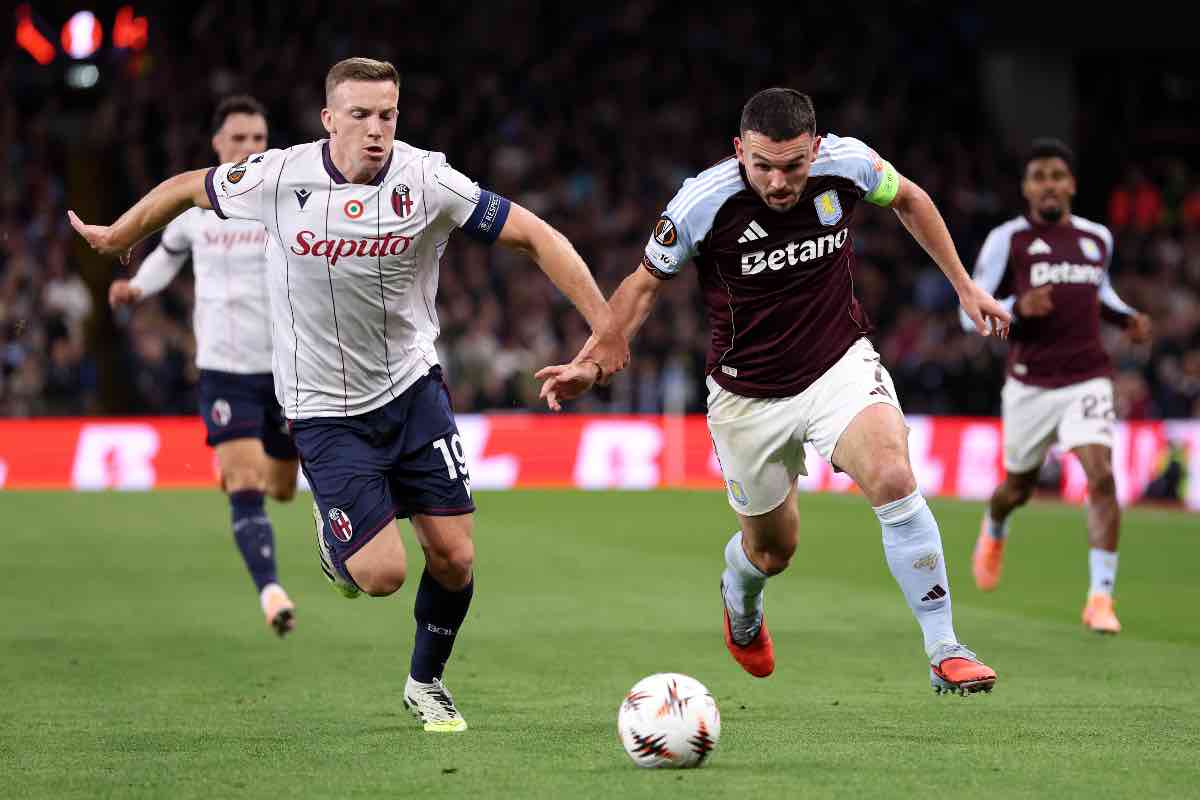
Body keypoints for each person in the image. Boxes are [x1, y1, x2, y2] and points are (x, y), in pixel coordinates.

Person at [70, 57, 628, 731]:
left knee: (455, 557)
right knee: (380, 575)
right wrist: (120, 236)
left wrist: (605, 325)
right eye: (359, 116)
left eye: (386, 116)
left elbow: (535, 236)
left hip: (412, 389)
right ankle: (338, 542)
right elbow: (191, 187)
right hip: (323, 408)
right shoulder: (278, 176)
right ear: (329, 119)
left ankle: (426, 683)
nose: (375, 131)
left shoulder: (428, 180)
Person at [537, 88, 1009, 695]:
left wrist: (964, 287)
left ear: (816, 147)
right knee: (772, 551)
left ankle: (945, 647)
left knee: (892, 475)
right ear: (740, 151)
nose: (780, 182)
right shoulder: (702, 203)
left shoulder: (852, 164)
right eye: (763, 166)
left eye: (793, 165)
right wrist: (592, 363)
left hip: (838, 363)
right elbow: (643, 286)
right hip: (746, 395)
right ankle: (742, 599)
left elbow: (911, 199)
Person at [108, 95, 300, 638]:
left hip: (286, 370)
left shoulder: (286, 202)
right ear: (218, 145)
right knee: (244, 479)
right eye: (238, 139)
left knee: (282, 488)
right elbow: (167, 254)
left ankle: (240, 463)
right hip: (223, 368)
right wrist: (138, 287)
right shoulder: (196, 208)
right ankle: (271, 590)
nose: (249, 149)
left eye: (258, 140)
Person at [961, 138, 1151, 634]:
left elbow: (1100, 292)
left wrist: (1126, 317)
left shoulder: (1096, 239)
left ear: (1071, 184)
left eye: (1057, 176)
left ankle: (1100, 599)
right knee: (1017, 489)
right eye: (1039, 176)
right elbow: (970, 316)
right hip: (1030, 386)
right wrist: (1018, 308)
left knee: (1102, 476)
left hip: (1087, 376)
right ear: (1026, 188)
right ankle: (995, 525)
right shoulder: (1010, 240)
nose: (1049, 185)